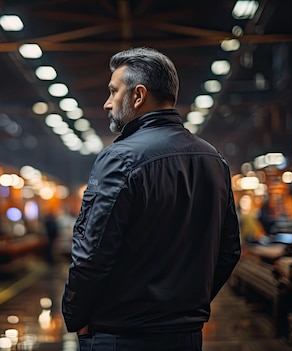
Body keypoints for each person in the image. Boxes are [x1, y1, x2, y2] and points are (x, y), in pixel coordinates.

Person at [61, 47, 241, 351]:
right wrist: (184, 310)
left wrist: (75, 314)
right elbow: (229, 250)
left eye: (113, 92)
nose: (107, 104)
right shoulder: (214, 160)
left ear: (138, 95)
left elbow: (92, 253)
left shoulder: (119, 158)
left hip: (121, 335)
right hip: (186, 336)